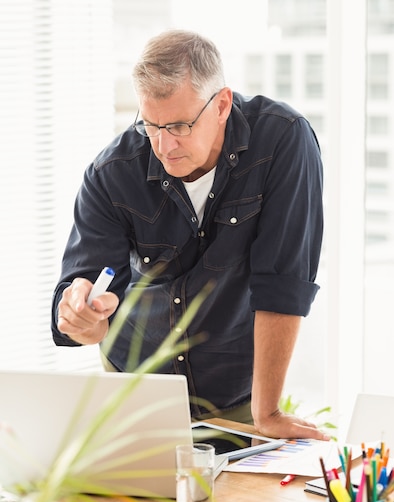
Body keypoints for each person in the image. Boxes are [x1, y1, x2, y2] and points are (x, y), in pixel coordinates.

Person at [52, 29, 328, 442]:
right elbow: (84, 289)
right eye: (151, 125)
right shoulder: (111, 173)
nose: (164, 145)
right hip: (136, 401)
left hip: (237, 398)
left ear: (221, 104)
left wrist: (267, 411)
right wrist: (83, 321)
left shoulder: (283, 141)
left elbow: (283, 283)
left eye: (179, 125)